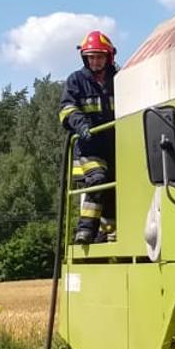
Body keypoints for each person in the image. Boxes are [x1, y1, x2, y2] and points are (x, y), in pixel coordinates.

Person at [60, 30, 118, 244]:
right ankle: (85, 231)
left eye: (99, 57)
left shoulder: (119, 79)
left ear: (108, 57)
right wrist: (81, 125)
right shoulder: (76, 80)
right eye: (91, 57)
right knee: (97, 181)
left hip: (115, 146)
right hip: (88, 146)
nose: (95, 61)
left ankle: (107, 233)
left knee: (114, 188)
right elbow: (66, 109)